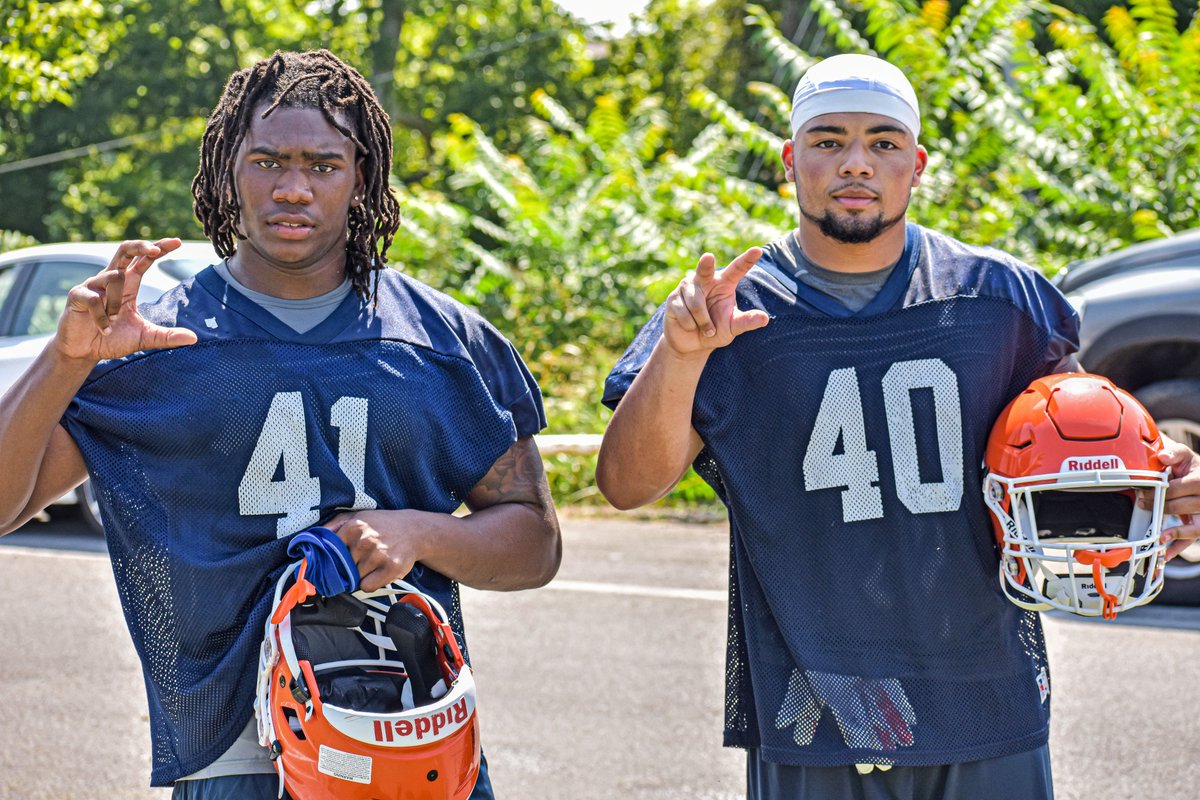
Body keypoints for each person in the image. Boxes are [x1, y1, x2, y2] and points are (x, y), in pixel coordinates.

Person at [596, 53, 1200, 800]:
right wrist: (681, 358)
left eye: (883, 143)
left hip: (985, 692)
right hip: (816, 706)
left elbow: (1072, 434)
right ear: (791, 160)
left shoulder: (996, 297)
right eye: (828, 140)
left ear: (915, 165)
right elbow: (625, 485)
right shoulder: (725, 312)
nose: (856, 162)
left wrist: (1157, 466)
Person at [0, 50, 560, 800]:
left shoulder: (442, 340)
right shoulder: (158, 343)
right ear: (229, 165)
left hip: (406, 733)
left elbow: (537, 542)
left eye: (322, 165)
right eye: (266, 160)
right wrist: (64, 362)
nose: (292, 188)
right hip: (236, 751)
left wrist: (422, 535)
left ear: (361, 174)